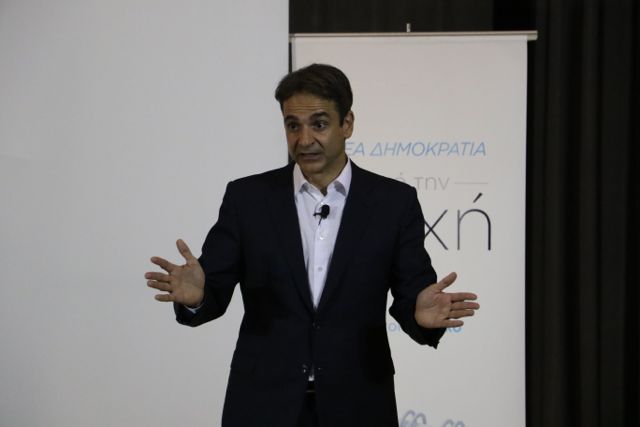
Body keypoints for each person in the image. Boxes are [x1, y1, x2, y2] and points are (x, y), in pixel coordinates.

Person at [145, 64, 479, 426]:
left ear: (347, 123)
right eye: (293, 126)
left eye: (318, 124)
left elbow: (413, 293)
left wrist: (421, 316)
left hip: (360, 404)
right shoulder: (248, 198)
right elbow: (214, 289)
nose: (304, 140)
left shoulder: (393, 203)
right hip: (262, 405)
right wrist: (197, 297)